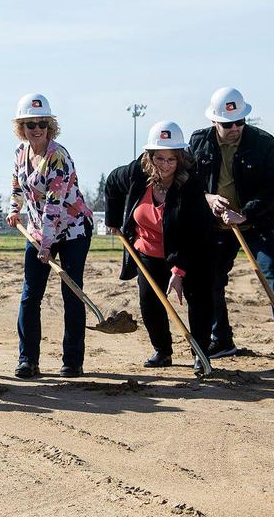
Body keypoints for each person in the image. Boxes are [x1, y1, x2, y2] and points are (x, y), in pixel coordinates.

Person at [188, 86, 274, 368]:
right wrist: (207, 199)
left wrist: (246, 215)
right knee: (211, 281)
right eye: (228, 123)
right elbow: (188, 182)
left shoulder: (263, 143)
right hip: (217, 227)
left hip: (255, 224)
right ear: (214, 122)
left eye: (240, 122)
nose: (235, 128)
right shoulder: (199, 143)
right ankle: (221, 340)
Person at [105, 121, 213, 374]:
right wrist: (112, 220)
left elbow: (195, 234)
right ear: (150, 157)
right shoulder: (136, 173)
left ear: (181, 158)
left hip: (188, 251)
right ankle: (162, 351)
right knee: (150, 301)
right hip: (147, 251)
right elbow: (112, 182)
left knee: (199, 301)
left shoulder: (191, 185)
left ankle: (200, 352)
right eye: (160, 158)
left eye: (171, 159)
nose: (165, 165)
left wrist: (179, 271)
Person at [4, 93, 93, 379]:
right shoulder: (20, 152)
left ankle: (72, 361)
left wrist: (46, 246)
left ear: (50, 124)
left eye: (42, 122)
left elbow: (54, 205)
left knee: (72, 291)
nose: (37, 128)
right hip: (39, 231)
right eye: (30, 124)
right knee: (30, 295)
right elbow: (18, 186)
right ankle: (28, 359)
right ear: (22, 127)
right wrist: (14, 209)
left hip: (72, 229)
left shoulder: (59, 157)